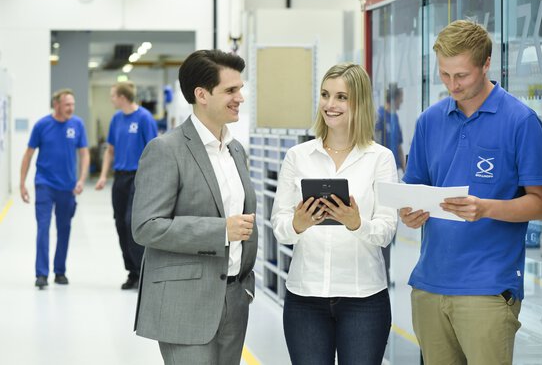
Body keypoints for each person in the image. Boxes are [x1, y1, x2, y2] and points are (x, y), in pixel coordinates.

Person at [400, 19, 542, 365]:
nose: (452, 85)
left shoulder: (521, 122)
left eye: (462, 76)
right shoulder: (429, 121)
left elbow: (541, 204)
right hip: (429, 286)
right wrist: (407, 212)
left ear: (486, 64)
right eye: (444, 75)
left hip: (487, 289)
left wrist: (485, 208)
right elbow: (413, 187)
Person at [131, 49, 257, 365]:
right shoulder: (165, 150)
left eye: (240, 89)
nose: (240, 97)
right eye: (231, 90)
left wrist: (244, 288)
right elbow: (146, 225)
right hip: (184, 302)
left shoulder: (235, 150)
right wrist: (221, 230)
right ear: (201, 94)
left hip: (233, 299)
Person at [271, 63, 397, 364]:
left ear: (359, 102)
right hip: (305, 298)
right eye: (325, 95)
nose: (330, 104)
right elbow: (279, 226)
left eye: (341, 97)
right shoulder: (298, 157)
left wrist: (357, 224)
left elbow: (387, 230)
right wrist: (297, 225)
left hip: (364, 299)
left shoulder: (380, 158)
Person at [20, 88, 90, 289]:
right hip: (45, 184)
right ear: (56, 104)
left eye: (73, 104)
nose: (71, 108)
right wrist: (22, 183)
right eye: (67, 104)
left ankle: (60, 271)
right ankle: (41, 273)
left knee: (64, 229)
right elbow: (28, 154)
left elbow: (84, 154)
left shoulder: (77, 125)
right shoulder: (42, 125)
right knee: (43, 228)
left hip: (68, 187)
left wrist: (82, 179)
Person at [95, 81, 158, 290]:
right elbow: (110, 150)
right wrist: (104, 176)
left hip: (138, 177)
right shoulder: (116, 119)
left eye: (113, 95)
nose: (111, 99)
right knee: (120, 224)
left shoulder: (144, 118)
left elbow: (154, 151)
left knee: (133, 222)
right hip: (119, 179)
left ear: (122, 97)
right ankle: (132, 272)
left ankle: (144, 272)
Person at [374, 82, 405, 287]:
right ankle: (381, 273)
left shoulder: (394, 118)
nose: (402, 102)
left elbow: (399, 146)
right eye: (401, 98)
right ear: (394, 98)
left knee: (390, 226)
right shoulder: (378, 117)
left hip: (392, 177)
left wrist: (404, 171)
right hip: (378, 179)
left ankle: (387, 272)